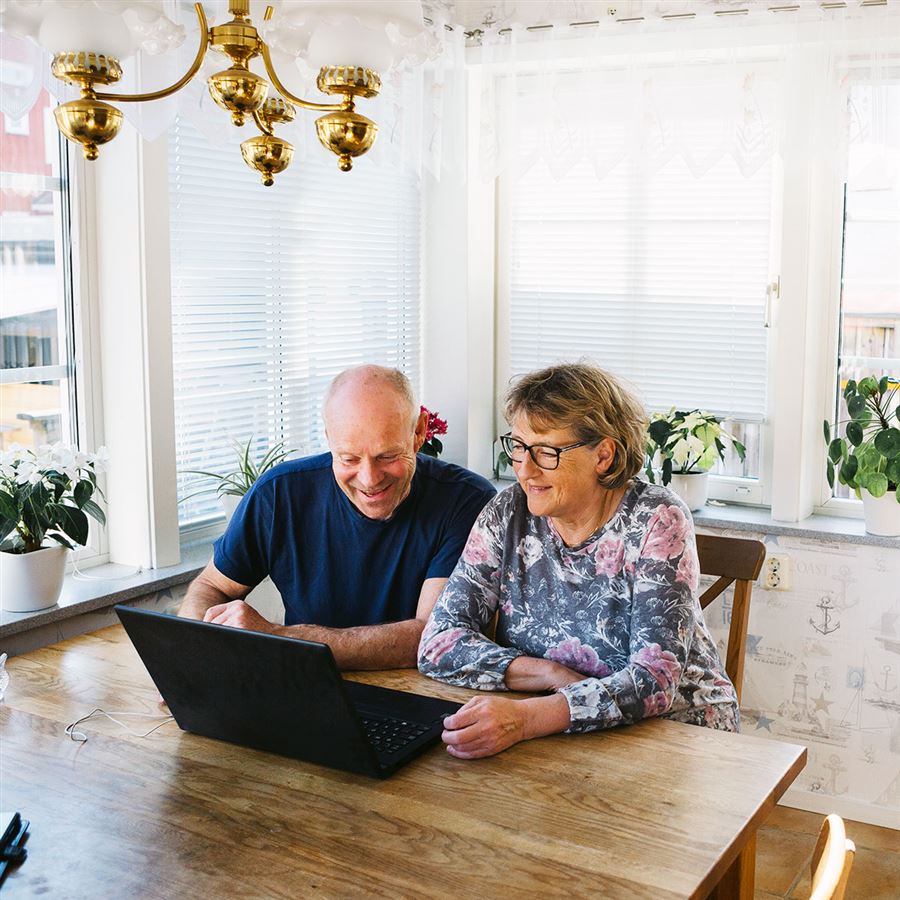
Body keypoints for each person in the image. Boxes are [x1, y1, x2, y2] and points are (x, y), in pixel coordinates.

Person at [418, 362, 739, 759]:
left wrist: (526, 718)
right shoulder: (508, 511)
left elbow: (654, 681)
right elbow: (438, 643)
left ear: (603, 455)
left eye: (546, 451)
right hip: (559, 727)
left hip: (676, 736)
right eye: (518, 446)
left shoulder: (657, 518)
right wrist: (550, 675)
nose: (524, 469)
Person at [179, 365, 495, 669]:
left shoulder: (468, 502)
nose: (369, 479)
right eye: (349, 458)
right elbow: (211, 586)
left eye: (387, 456)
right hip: (305, 684)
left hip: (421, 693)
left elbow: (429, 635)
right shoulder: (279, 494)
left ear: (419, 432)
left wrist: (279, 638)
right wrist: (191, 653)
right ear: (329, 438)